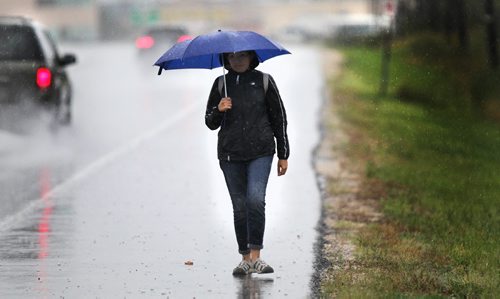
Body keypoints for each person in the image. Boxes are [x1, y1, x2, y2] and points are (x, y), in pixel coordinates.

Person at [205, 50, 289, 275]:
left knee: (255, 200)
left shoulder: (264, 81)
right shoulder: (221, 84)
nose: (237, 60)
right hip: (230, 155)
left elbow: (279, 117)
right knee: (240, 207)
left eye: (242, 55)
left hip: (261, 152)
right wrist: (219, 109)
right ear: (226, 60)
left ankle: (256, 257)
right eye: (232, 57)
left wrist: (283, 153)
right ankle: (244, 259)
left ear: (252, 57)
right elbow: (210, 122)